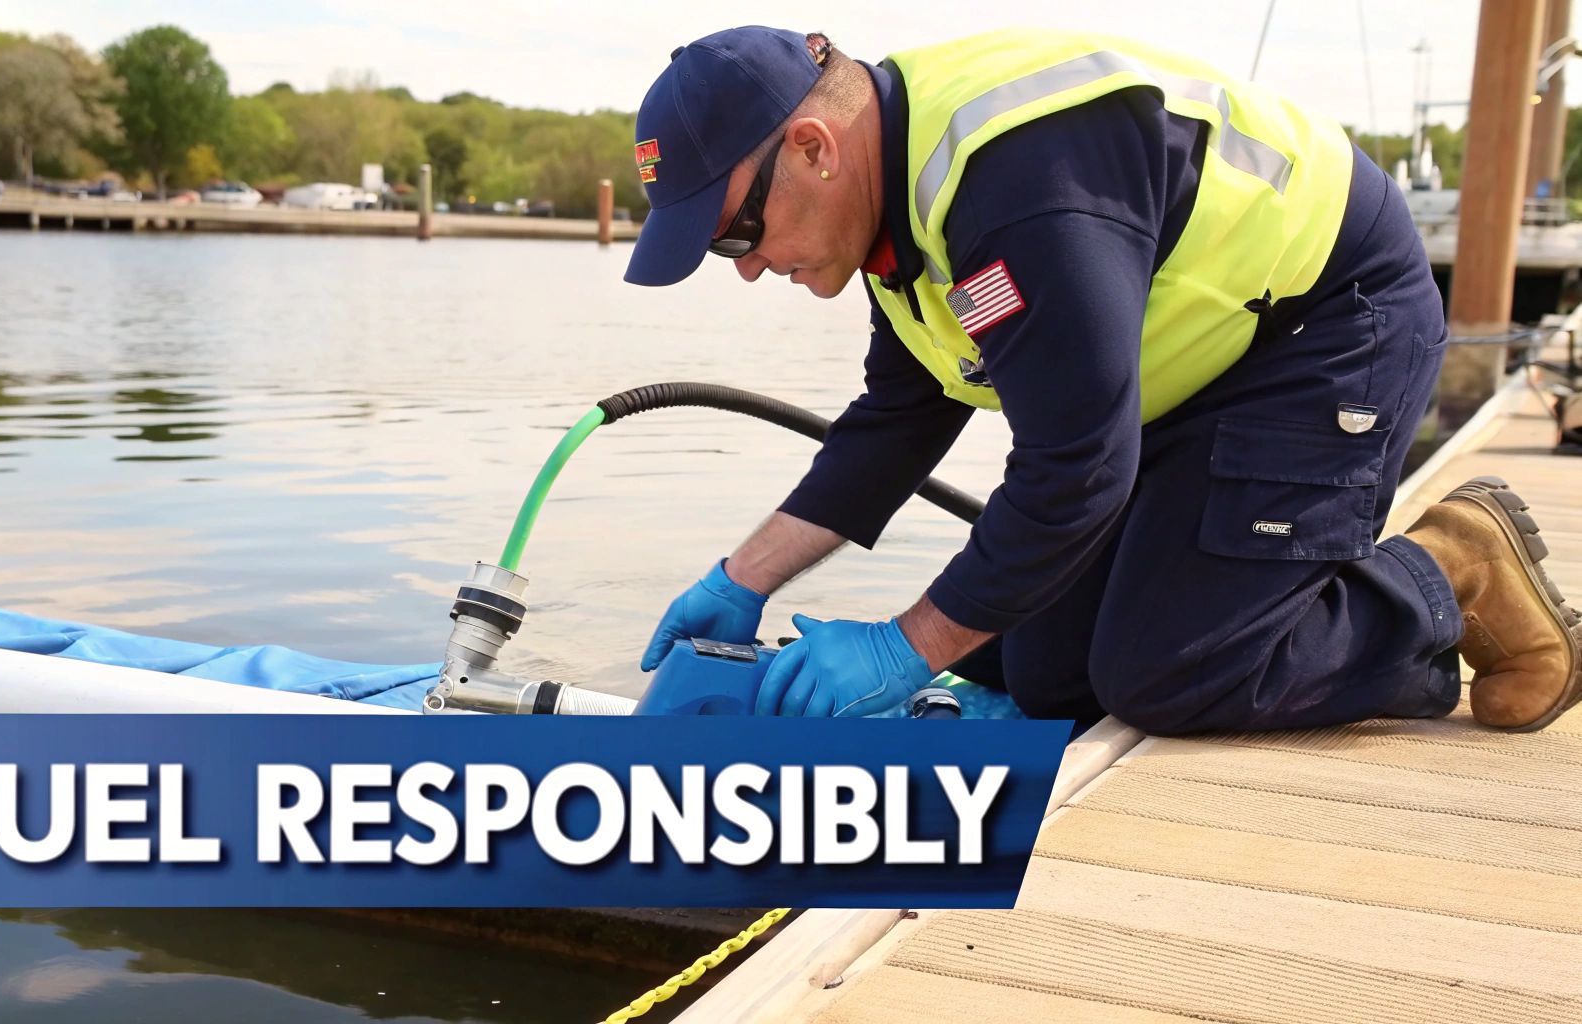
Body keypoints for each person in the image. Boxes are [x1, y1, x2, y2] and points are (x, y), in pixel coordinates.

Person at [624, 26, 1582, 734]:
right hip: (1197, 367)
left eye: (738, 235)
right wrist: (738, 581)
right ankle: (1294, 606)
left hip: (1329, 325)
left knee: (1178, 674)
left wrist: (904, 647)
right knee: (1046, 668)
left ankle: (1443, 574)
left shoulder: (1013, 192)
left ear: (814, 150)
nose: (746, 267)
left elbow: (1075, 471)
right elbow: (897, 419)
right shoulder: (903, 198)